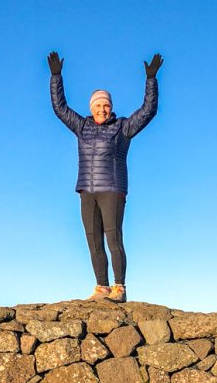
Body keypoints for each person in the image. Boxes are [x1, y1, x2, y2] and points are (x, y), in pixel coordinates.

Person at [48, 50, 161, 303]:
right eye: (98, 105)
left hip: (112, 188)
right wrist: (56, 77)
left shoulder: (123, 127)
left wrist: (150, 80)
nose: (103, 109)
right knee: (93, 241)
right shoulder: (82, 126)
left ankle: (119, 288)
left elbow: (148, 111)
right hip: (87, 190)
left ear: (111, 108)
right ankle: (102, 287)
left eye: (107, 105)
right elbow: (60, 108)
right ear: (92, 108)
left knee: (113, 237)